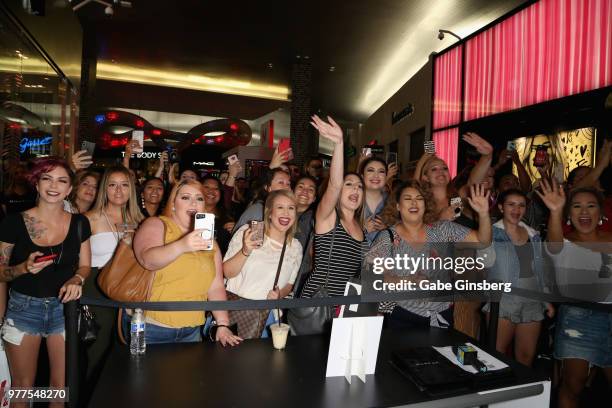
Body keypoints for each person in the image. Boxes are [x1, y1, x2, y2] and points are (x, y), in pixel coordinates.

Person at [0, 157, 91, 408]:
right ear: (37, 184)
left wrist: (77, 278)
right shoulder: (13, 223)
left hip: (65, 311)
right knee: (22, 389)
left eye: (62, 180)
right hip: (23, 310)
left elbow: (85, 265)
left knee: (59, 388)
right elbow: (0, 272)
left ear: (70, 189)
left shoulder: (79, 223)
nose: (54, 185)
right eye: (47, 178)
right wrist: (23, 268)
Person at [365, 180, 492, 329]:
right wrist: (409, 280)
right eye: (407, 199)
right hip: (403, 317)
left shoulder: (442, 230)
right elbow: (374, 278)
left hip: (441, 315)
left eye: (419, 199)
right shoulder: (387, 238)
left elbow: (482, 241)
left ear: (425, 205)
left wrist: (483, 214)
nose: (414, 203)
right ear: (398, 206)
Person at [132, 180, 241, 346]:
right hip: (152, 327)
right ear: (173, 204)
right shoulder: (157, 224)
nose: (193, 203)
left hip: (192, 330)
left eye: (199, 198)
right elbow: (148, 260)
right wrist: (182, 245)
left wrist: (223, 323)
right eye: (185, 197)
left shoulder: (209, 239)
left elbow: (216, 286)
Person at [536, 181, 612, 408]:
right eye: (577, 206)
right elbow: (553, 245)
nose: (585, 211)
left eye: (591, 206)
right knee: (572, 386)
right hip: (579, 320)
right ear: (569, 214)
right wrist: (555, 210)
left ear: (601, 212)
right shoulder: (566, 244)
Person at [83, 165, 143, 388]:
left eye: (124, 185)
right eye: (112, 185)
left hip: (131, 288)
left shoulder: (140, 219)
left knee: (129, 346)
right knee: (99, 349)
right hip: (97, 288)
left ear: (132, 190)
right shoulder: (89, 219)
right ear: (104, 189)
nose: (119, 191)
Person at [480, 189, 554, 366]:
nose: (516, 209)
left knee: (526, 357)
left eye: (521, 205)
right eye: (511, 204)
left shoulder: (533, 235)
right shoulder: (491, 233)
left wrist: (546, 300)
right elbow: (483, 262)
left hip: (532, 300)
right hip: (504, 300)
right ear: (500, 207)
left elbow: (539, 271)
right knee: (497, 356)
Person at [300, 115, 368, 299]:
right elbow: (335, 184)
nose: (356, 188)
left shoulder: (362, 229)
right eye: (350, 184)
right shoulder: (327, 216)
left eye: (360, 186)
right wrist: (339, 143)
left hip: (345, 307)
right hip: (316, 303)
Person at [223, 190, 303, 339]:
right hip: (234, 311)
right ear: (269, 212)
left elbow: (289, 285)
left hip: (268, 318)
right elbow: (227, 272)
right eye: (280, 207)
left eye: (291, 208)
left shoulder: (295, 246)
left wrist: (280, 294)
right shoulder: (249, 233)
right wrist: (246, 251)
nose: (286, 213)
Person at [414, 132, 493, 222]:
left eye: (445, 168)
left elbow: (473, 182)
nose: (441, 171)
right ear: (425, 177)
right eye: (434, 169)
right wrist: (440, 219)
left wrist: (487, 156)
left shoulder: (456, 199)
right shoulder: (422, 202)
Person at [231, 168, 291, 233]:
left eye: (288, 184)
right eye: (281, 182)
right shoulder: (259, 211)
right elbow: (255, 240)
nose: (286, 187)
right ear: (268, 188)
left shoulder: (275, 209)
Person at [359, 157, 390, 244]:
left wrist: (387, 230)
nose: (376, 175)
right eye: (370, 170)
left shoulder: (393, 202)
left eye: (381, 171)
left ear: (386, 177)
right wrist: (361, 230)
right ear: (362, 176)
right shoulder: (352, 201)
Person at [201, 176, 233, 255]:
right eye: (206, 187)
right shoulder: (189, 216)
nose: (211, 191)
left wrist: (235, 232)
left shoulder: (226, 218)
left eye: (216, 188)